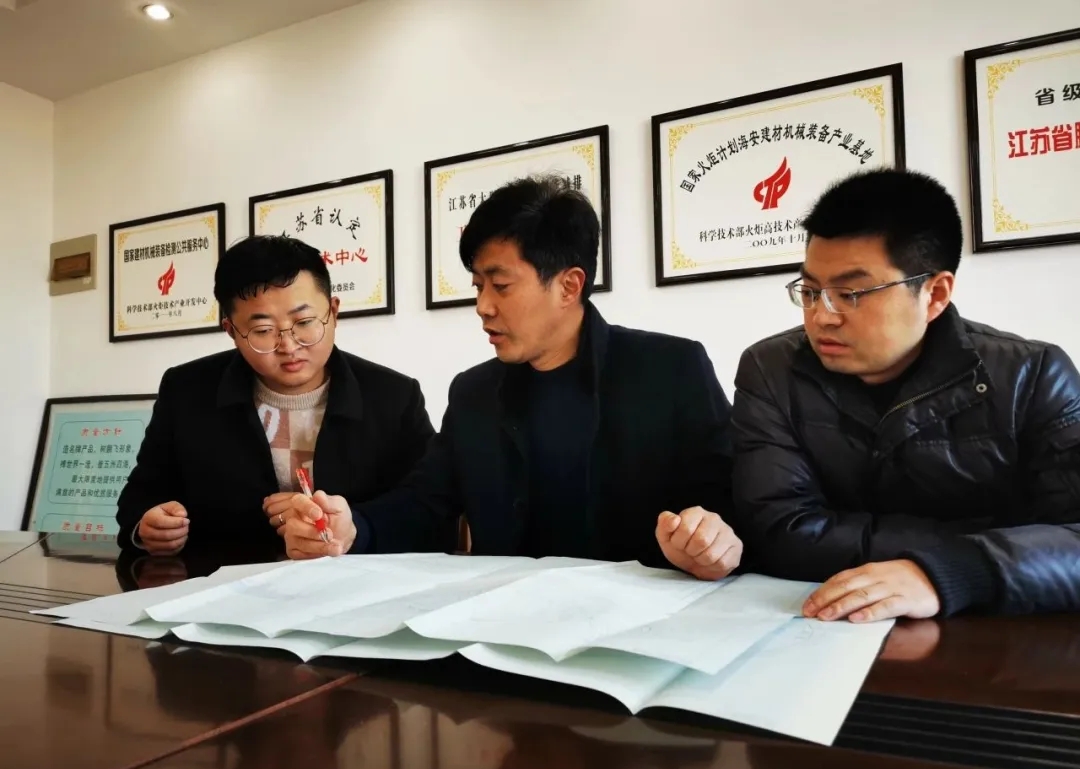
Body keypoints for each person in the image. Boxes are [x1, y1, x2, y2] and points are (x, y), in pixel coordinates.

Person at [283, 174, 741, 579]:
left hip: (644, 623)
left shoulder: (670, 370)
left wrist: (715, 541)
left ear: (569, 285)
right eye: (478, 286)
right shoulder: (474, 393)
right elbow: (425, 503)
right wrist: (354, 528)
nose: (483, 306)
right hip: (504, 628)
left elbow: (730, 505)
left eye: (500, 285)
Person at [730, 167, 1080, 622]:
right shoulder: (771, 371)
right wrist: (995, 539)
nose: (822, 317)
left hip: (999, 631)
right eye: (811, 291)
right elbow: (781, 530)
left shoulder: (1032, 376)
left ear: (935, 294)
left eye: (851, 294)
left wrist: (952, 570)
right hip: (822, 621)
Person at [115, 235, 441, 556]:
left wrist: (355, 526)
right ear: (232, 331)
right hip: (224, 581)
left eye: (305, 322)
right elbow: (139, 498)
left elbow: (429, 506)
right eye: (262, 331)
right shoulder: (187, 391)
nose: (288, 345)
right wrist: (148, 527)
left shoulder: (393, 396)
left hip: (355, 582)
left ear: (333, 312)